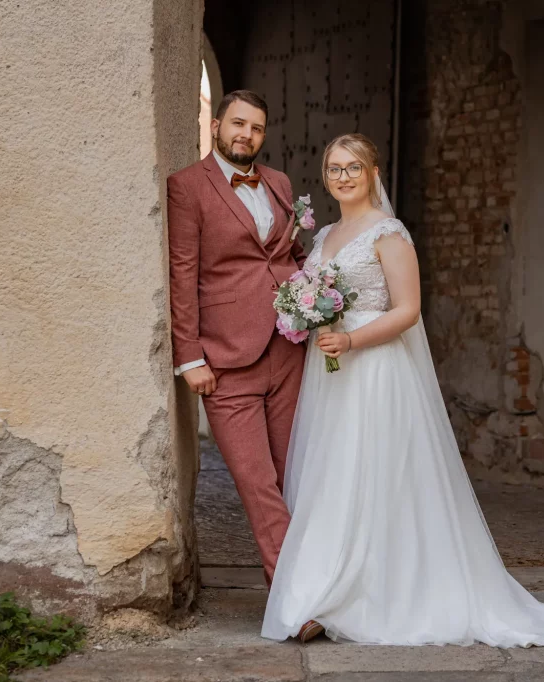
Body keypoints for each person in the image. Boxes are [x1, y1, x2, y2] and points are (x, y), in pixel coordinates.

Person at [261, 133, 544, 647]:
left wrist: (351, 338)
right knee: (334, 475)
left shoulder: (388, 233)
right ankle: (325, 591)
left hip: (375, 368)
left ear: (373, 173)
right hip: (331, 374)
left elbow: (407, 310)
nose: (342, 177)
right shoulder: (325, 239)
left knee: (378, 475)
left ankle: (383, 592)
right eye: (334, 168)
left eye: (353, 168)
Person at [166, 90, 320, 639]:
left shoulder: (278, 183)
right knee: (258, 484)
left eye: (256, 128)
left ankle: (310, 591)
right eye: (237, 124)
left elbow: (290, 256)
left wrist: (316, 299)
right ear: (216, 127)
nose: (246, 136)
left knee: (294, 476)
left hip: (288, 349)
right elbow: (182, 275)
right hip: (226, 361)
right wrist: (190, 357)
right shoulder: (187, 187)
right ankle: (297, 608)